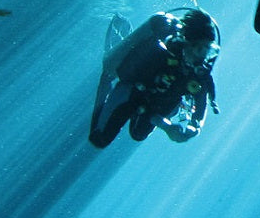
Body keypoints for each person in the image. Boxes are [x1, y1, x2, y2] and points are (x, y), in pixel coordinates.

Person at [89, 8, 220, 148]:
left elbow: (201, 102)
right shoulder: (159, 56)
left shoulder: (199, 72)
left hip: (156, 102)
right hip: (133, 91)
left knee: (138, 134)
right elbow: (142, 102)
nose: (204, 56)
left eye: (209, 50)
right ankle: (107, 76)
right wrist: (166, 126)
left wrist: (195, 126)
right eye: (200, 49)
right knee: (99, 139)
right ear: (187, 43)